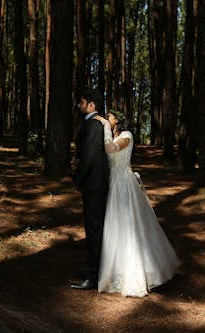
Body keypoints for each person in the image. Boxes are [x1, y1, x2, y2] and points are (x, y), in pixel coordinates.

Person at [93, 111, 180, 297]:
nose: (107, 119)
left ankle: (135, 274)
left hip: (124, 184)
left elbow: (111, 149)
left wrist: (105, 128)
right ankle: (115, 269)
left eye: (109, 117)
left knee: (129, 226)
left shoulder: (126, 136)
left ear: (117, 119)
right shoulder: (114, 135)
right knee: (115, 226)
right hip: (113, 183)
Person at [71, 89, 109, 290]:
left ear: (92, 105)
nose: (79, 105)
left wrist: (77, 179)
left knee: (95, 229)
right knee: (92, 227)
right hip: (92, 183)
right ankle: (92, 267)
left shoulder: (94, 126)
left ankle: (95, 277)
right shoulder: (91, 124)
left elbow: (91, 157)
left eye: (82, 102)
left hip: (95, 185)